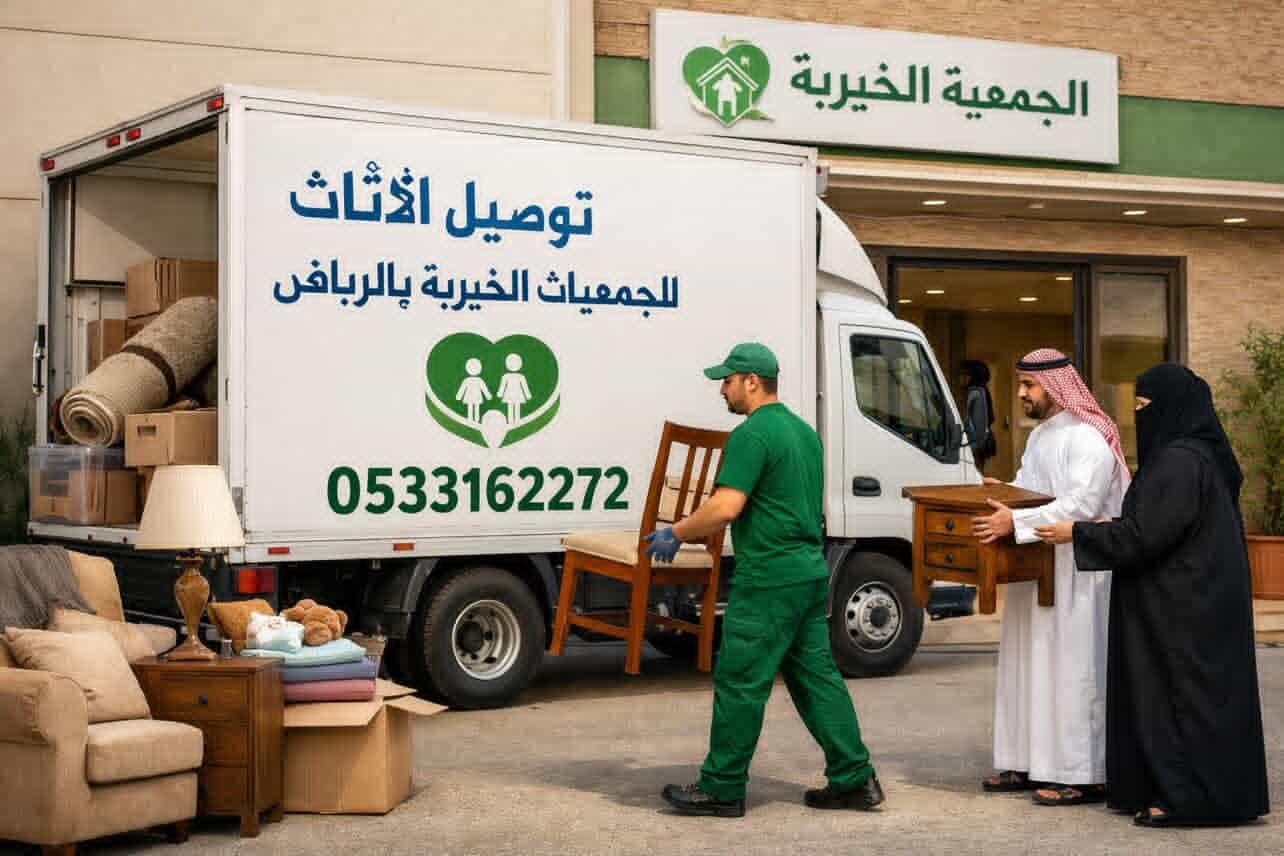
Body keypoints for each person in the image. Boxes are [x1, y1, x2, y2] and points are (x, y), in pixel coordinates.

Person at [645, 342, 881, 818]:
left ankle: (722, 788)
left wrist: (676, 532)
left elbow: (726, 506)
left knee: (740, 680)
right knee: (817, 680)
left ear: (752, 381)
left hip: (768, 578)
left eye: (728, 381)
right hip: (808, 572)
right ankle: (854, 778)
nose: (722, 390)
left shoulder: (751, 435)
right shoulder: (804, 433)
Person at [1034, 363, 1270, 827]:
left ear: (1172, 408)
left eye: (1144, 406)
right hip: (1195, 597)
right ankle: (1180, 791)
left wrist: (1076, 532)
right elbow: (1163, 525)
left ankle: (1189, 799)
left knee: (1180, 700)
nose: (1139, 416)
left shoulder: (1178, 462)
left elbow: (1145, 536)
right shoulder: (1202, 457)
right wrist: (1111, 527)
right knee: (1199, 700)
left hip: (1180, 608)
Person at [971, 348, 1129, 806]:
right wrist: (1005, 493)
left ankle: (1084, 773)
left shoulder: (1090, 437)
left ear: (1057, 388)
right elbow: (1033, 492)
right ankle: (1026, 761)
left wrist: (1015, 522)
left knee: (1074, 671)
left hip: (1077, 571)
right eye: (1021, 384)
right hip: (1034, 566)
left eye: (1029, 385)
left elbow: (1081, 505)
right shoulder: (1041, 436)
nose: (1021, 393)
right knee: (1028, 668)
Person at [961, 360, 997, 472]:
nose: (962, 377)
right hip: (979, 438)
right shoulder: (982, 390)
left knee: (975, 471)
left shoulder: (975, 392)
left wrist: (976, 444)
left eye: (965, 374)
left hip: (975, 440)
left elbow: (977, 420)